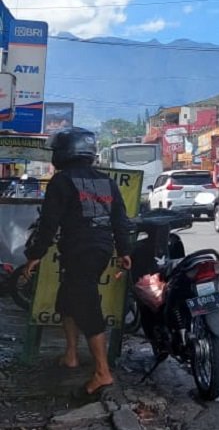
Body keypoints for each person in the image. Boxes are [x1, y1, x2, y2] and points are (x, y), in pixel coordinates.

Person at [20, 127, 132, 396]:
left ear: (65, 152)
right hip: (99, 250)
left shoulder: (61, 181)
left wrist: (35, 255)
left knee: (87, 308)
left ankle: (103, 373)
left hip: (81, 251)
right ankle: (71, 355)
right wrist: (124, 250)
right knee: (67, 300)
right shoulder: (107, 181)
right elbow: (120, 219)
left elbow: (48, 224)